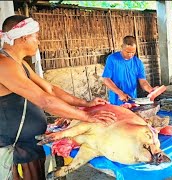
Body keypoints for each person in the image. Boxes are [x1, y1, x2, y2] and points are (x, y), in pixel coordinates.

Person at [0, 15, 116, 179]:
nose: (38, 42)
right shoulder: (3, 64)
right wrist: (86, 116)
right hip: (15, 143)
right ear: (24, 36)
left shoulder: (20, 64)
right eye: (36, 37)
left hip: (27, 143)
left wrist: (86, 103)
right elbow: (44, 100)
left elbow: (51, 90)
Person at [102, 36, 154, 105]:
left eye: (133, 52)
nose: (130, 55)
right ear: (122, 47)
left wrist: (151, 90)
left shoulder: (138, 62)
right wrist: (120, 93)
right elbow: (106, 79)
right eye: (128, 52)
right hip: (116, 100)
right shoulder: (112, 59)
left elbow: (143, 82)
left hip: (132, 99)